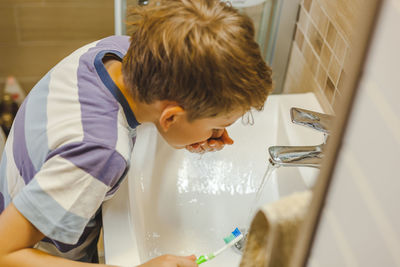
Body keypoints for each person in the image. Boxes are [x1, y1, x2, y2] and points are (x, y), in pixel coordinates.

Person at [0, 0, 273, 266]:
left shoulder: (118, 50)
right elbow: (4, 253)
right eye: (216, 125)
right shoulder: (100, 153)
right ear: (171, 117)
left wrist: (188, 131)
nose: (218, 133)